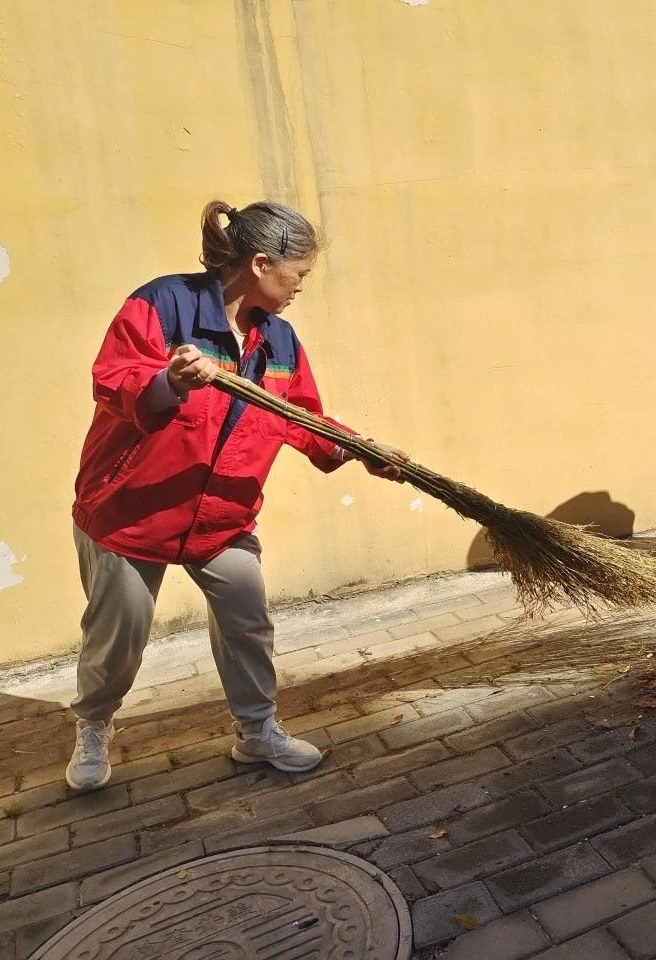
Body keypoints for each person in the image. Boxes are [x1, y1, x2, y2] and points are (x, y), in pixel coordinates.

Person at [67, 199, 408, 790]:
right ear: (260, 263)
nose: (300, 286)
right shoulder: (163, 304)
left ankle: (256, 731)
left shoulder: (279, 341)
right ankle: (93, 724)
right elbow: (113, 378)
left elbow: (302, 419)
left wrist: (359, 450)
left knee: (247, 625)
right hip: (131, 512)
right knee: (117, 639)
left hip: (221, 517)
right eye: (298, 273)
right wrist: (169, 380)